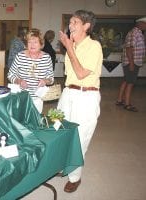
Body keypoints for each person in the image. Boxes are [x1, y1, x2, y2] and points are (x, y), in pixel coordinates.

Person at [58, 10, 103, 192]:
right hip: (68, 93)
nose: (70, 25)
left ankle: (75, 177)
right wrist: (70, 48)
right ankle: (61, 164)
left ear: (86, 26)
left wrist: (68, 48)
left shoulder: (94, 46)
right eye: (70, 22)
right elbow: (70, 75)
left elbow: (81, 73)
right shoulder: (73, 47)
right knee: (60, 131)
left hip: (86, 96)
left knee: (79, 138)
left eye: (75, 22)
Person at [7, 28, 54, 113]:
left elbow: (51, 78)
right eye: (29, 42)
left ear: (41, 44)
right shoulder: (20, 56)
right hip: (21, 97)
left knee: (35, 122)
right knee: (21, 123)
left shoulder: (46, 58)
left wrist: (45, 81)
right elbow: (10, 74)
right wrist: (19, 81)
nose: (32, 45)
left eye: (35, 42)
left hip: (38, 98)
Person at [115, 17, 146, 112]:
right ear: (140, 23)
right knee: (130, 82)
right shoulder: (135, 33)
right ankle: (127, 104)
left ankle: (120, 100)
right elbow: (129, 48)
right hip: (132, 62)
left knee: (126, 80)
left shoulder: (137, 33)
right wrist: (132, 63)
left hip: (132, 61)